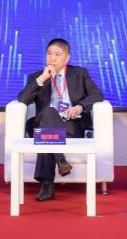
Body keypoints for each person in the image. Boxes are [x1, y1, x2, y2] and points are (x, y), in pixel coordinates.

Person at [17, 38, 104, 201]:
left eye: (57, 54)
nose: (52, 58)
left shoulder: (80, 74)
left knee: (45, 136)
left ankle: (47, 184)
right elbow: (22, 99)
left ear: (67, 58)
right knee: (49, 112)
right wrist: (42, 79)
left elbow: (97, 95)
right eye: (49, 54)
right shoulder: (37, 77)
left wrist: (80, 107)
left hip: (70, 125)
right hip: (42, 122)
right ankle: (60, 159)